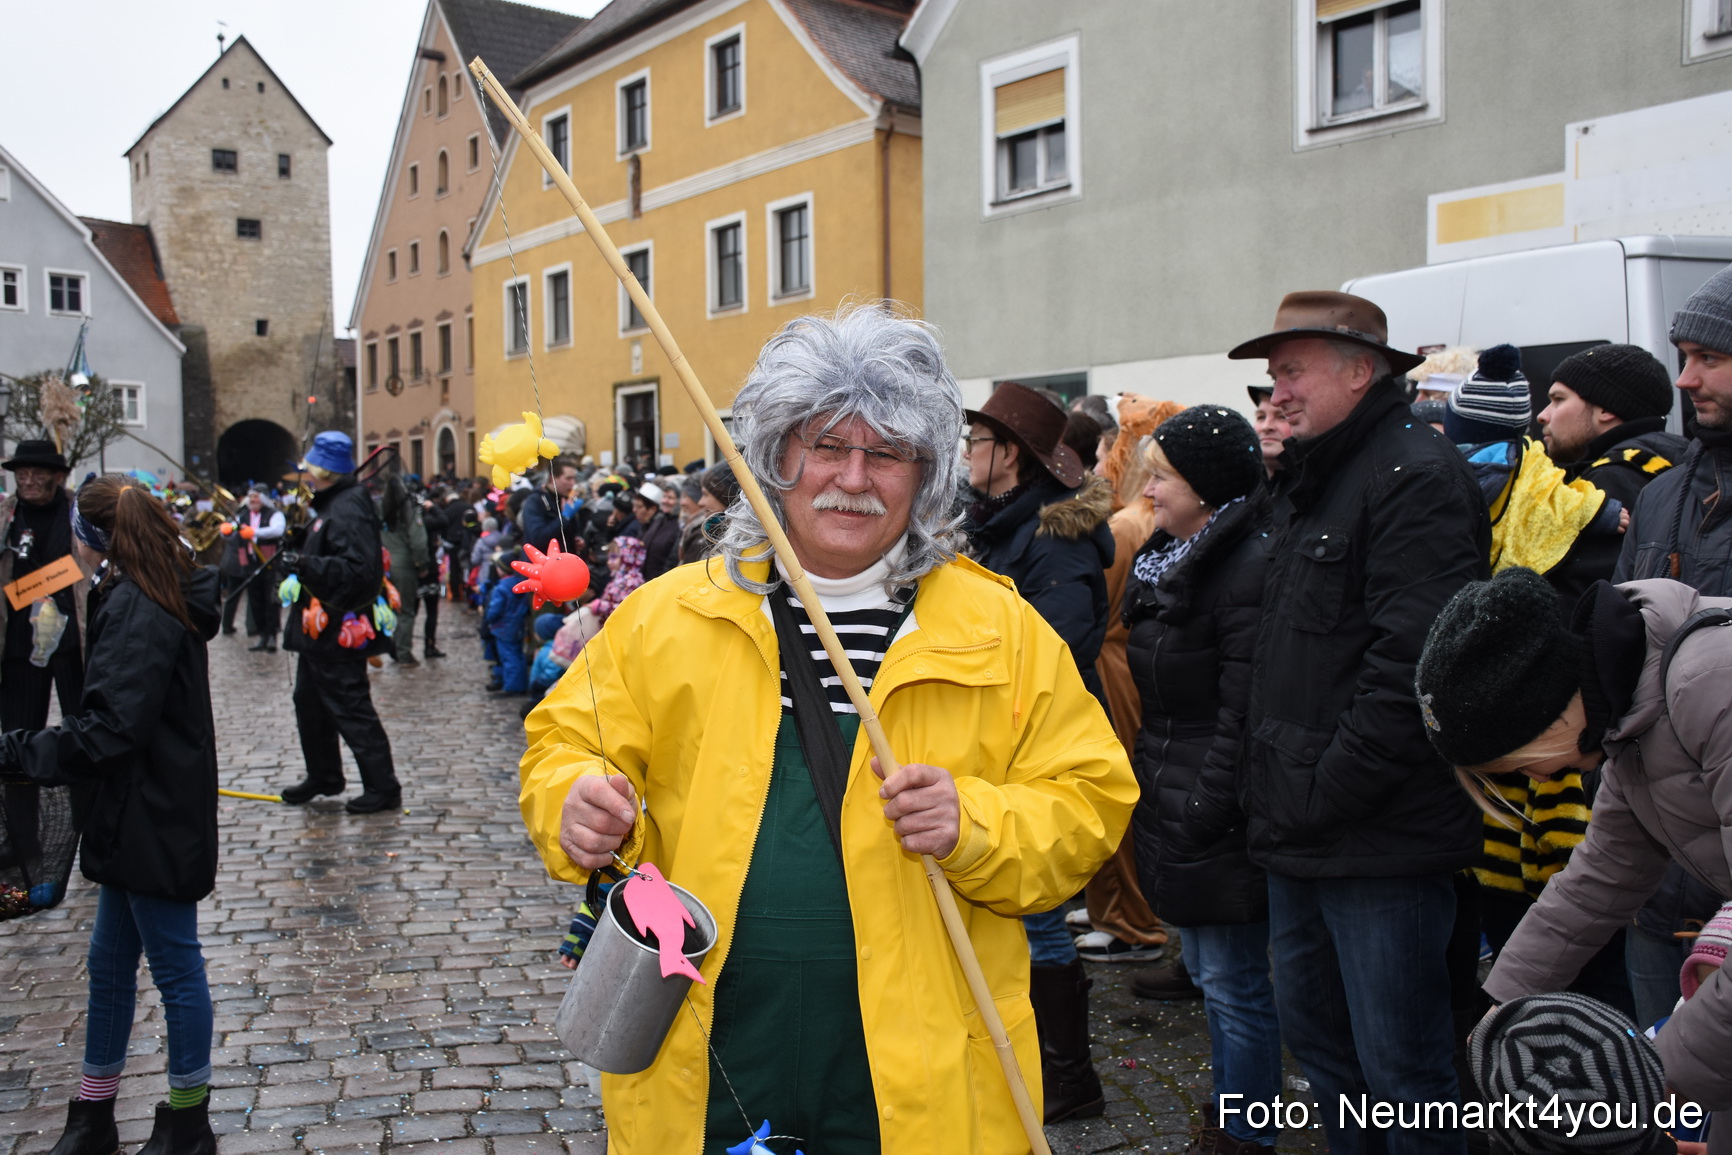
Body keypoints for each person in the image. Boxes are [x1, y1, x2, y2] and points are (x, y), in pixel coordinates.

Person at [519, 307, 1135, 1154]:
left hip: (914, 1076)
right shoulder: (670, 614)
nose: (854, 476)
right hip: (707, 1055)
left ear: (925, 474)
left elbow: (1092, 798)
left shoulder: (999, 628)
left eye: (885, 453)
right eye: (826, 446)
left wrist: (976, 823)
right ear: (775, 457)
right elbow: (564, 744)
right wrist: (572, 801)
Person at [1228, 291, 1489, 1155]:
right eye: (1272, 378)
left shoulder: (1415, 475)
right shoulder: (1314, 478)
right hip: (1304, 832)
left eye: (1291, 371)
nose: (1277, 393)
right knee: (1331, 1063)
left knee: (1405, 1077)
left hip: (1380, 841)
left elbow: (1413, 671)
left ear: (1359, 369)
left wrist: (1319, 790)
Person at [1414, 567, 1732, 1129]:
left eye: (1514, 766)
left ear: (1542, 717)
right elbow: (1598, 881)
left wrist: (1637, 1090)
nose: (1534, 782)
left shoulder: (1710, 688)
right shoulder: (1630, 713)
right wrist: (1497, 1009)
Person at [1, 475, 222, 1155]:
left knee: (176, 968)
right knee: (106, 964)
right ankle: (93, 1112)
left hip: (153, 812)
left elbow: (109, 729)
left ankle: (187, 1121)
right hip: (131, 810)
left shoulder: (143, 605)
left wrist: (15, 749)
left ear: (93, 536)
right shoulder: (132, 591)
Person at [1122, 407, 1279, 1155]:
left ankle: (1246, 1130)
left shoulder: (1241, 567)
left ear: (1208, 490)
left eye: (1164, 477)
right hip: (1177, 789)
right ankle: (1230, 1109)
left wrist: (1201, 805)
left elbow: (1242, 710)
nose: (1148, 489)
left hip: (1210, 806)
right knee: (1217, 976)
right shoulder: (1173, 559)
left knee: (1234, 981)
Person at [961, 380, 1118, 1122]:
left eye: (976, 441)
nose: (966, 453)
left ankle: (1068, 1074)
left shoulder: (1052, 537)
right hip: (993, 745)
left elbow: (1062, 642)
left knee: (1039, 916)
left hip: (1036, 748)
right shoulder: (996, 523)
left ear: (1009, 455)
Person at [1613, 267, 1732, 1030]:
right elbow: (1621, 660)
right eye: (1682, 355)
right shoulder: (1662, 493)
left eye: (1709, 357)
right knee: (1667, 1112)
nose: (1685, 378)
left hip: (1724, 879)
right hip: (1655, 881)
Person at [1076, 395, 1179, 971]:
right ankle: (1112, 909)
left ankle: (1130, 919)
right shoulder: (1135, 519)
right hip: (1124, 662)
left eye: (1104, 453)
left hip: (1117, 667)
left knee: (1119, 794)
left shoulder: (1125, 524)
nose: (1099, 464)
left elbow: (1105, 608)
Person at [277, 432, 403, 814]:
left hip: (336, 630)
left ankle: (383, 787)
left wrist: (305, 563)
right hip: (319, 632)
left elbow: (359, 571)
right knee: (309, 704)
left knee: (350, 706)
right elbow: (336, 547)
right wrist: (307, 543)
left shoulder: (348, 505)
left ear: (323, 470)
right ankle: (325, 775)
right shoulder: (336, 503)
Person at [0, 440, 87, 913]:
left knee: (85, 736)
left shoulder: (77, 512)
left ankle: (93, 828)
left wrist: (37, 585)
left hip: (73, 643)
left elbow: (88, 565)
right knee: (16, 742)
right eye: (22, 474)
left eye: (37, 474)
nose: (29, 482)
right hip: (18, 646)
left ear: (57, 476)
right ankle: (22, 838)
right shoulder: (6, 514)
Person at [378, 473, 430, 666]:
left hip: (383, 565)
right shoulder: (410, 510)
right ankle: (403, 652)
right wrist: (422, 564)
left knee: (386, 608)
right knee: (405, 611)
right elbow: (419, 542)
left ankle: (390, 645)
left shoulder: (379, 509)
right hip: (403, 565)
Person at [234, 488, 286, 653]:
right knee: (256, 601)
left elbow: (278, 530)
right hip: (250, 564)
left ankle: (272, 635)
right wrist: (227, 531)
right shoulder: (243, 515)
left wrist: (255, 532)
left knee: (270, 600)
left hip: (269, 563)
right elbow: (232, 530)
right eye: (250, 496)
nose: (252, 500)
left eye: (255, 496)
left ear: (263, 498)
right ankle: (263, 634)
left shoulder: (274, 514)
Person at [630, 482, 679, 581]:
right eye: (664, 496)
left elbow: (671, 561)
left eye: (670, 498)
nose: (665, 501)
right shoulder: (659, 521)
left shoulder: (678, 526)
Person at [1246, 385, 1291, 479]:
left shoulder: (1315, 488)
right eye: (1261, 417)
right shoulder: (1244, 486)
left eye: (1281, 416)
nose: (1266, 427)